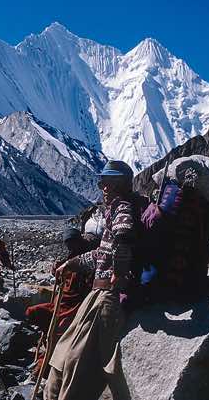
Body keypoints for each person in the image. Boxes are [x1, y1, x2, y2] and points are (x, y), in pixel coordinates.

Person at [44, 160, 137, 400]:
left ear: (121, 185)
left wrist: (120, 269)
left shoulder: (122, 207)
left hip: (107, 296)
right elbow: (100, 254)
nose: (103, 188)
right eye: (102, 183)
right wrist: (71, 263)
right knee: (66, 353)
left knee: (81, 361)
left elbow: (124, 235)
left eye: (108, 183)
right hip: (98, 294)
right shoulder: (112, 211)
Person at [26, 227, 93, 375]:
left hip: (74, 306)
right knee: (33, 312)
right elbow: (62, 276)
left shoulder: (87, 260)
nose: (70, 247)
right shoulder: (71, 257)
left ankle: (47, 364)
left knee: (59, 331)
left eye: (72, 243)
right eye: (68, 244)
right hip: (60, 303)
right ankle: (46, 347)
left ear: (78, 241)